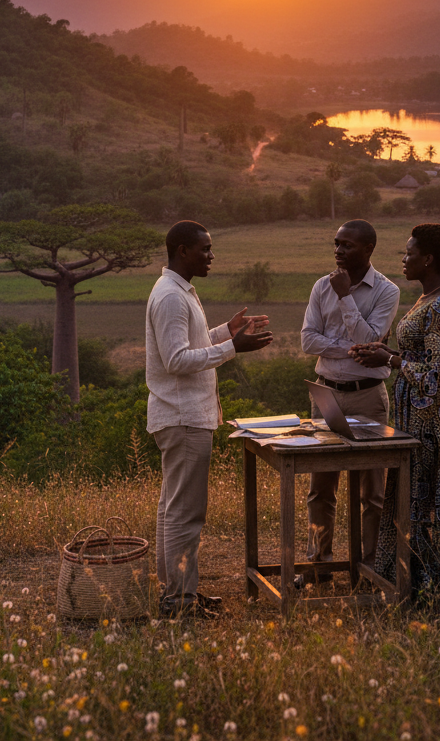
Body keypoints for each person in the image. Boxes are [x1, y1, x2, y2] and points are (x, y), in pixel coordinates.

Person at [351, 223, 440, 602]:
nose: (403, 258)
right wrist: (380, 353)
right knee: (415, 501)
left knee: (432, 505)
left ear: (428, 259)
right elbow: (419, 359)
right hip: (419, 420)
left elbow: (438, 379)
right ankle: (411, 584)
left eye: (409, 252)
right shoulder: (427, 299)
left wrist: (392, 360)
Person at [147, 220, 273, 618]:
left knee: (174, 510)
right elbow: (177, 360)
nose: (211, 256)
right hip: (184, 417)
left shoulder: (180, 291)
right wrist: (233, 348)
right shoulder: (170, 296)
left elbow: (191, 344)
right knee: (185, 514)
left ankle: (175, 594)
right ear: (182, 251)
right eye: (204, 249)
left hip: (184, 416)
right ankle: (179, 602)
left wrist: (224, 332)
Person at [299, 219, 400, 585]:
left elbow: (372, 338)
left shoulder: (386, 291)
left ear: (369, 250)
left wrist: (344, 297)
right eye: (337, 243)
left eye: (348, 245)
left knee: (370, 492)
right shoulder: (320, 286)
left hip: (367, 397)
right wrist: (352, 351)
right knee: (320, 487)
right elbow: (308, 340)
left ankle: (368, 569)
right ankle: (319, 565)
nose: (339, 251)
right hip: (326, 394)